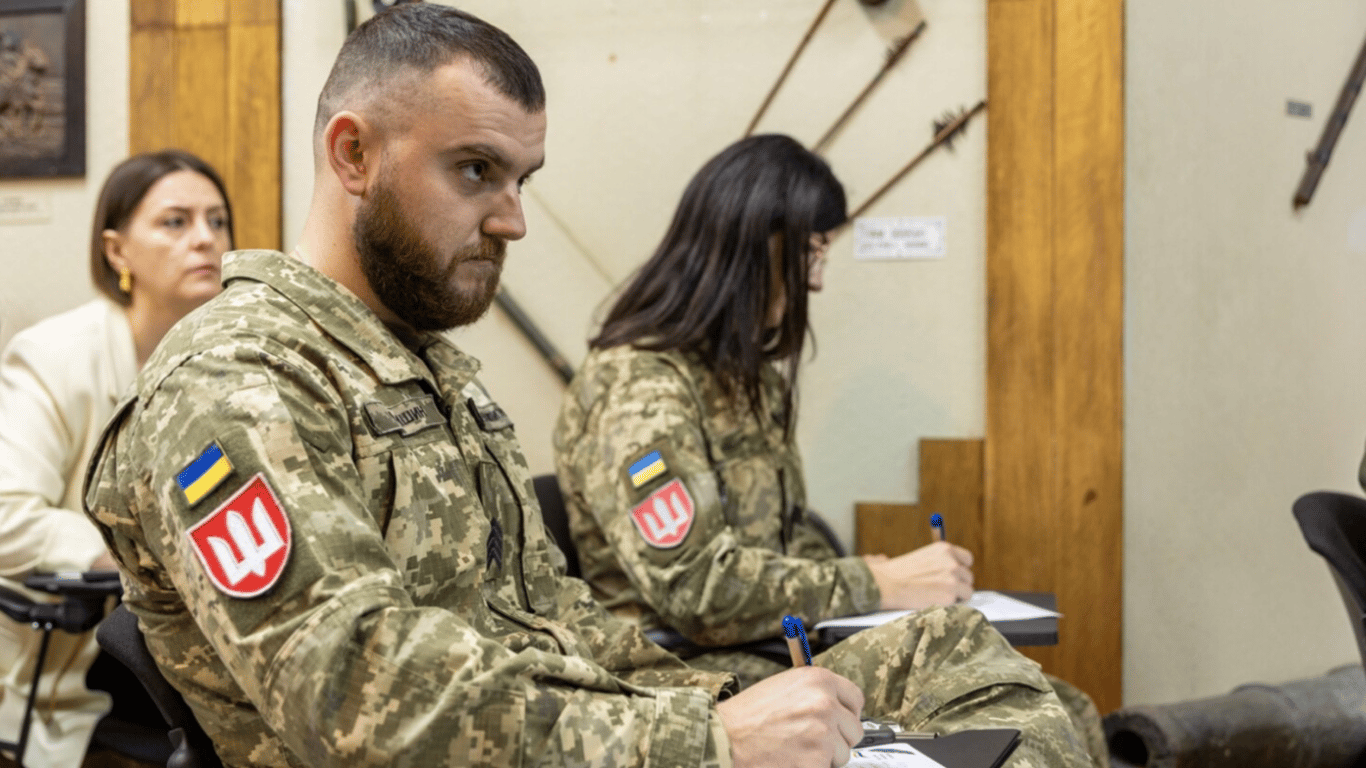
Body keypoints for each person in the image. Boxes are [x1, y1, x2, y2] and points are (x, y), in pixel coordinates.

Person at [83, 6, 1091, 767]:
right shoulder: (237, 378)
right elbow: (355, 696)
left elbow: (559, 620)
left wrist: (722, 703)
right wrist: (709, 739)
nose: (512, 219)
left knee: (961, 663)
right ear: (355, 153)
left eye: (522, 179)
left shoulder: (430, 370)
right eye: (475, 171)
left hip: (587, 726)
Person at [552, 134, 1107, 762]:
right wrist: (876, 582)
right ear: (756, 246)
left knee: (1062, 702)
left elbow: (789, 539)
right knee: (998, 692)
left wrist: (881, 581)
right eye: (812, 251)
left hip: (770, 647)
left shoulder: (744, 379)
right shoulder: (639, 387)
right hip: (693, 676)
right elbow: (697, 588)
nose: (816, 280)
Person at [0, 149, 232, 768]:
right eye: (175, 222)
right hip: (95, 651)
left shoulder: (231, 357)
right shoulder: (54, 356)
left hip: (214, 634)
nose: (205, 239)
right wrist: (138, 556)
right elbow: (6, 515)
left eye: (217, 221)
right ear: (117, 251)